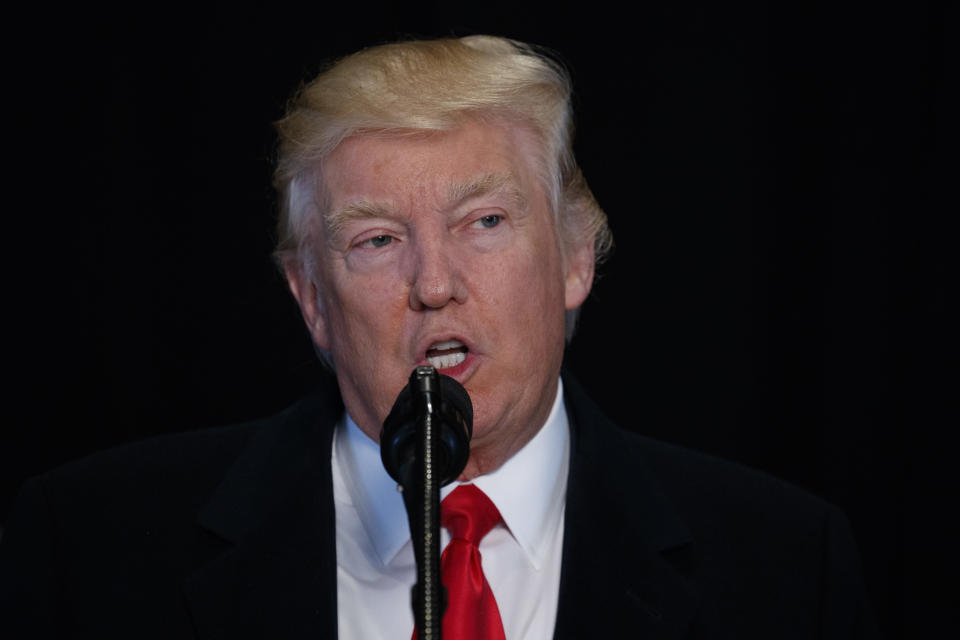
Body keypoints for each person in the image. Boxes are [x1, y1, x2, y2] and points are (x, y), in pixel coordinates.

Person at [0, 35, 876, 639]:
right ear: (310, 298)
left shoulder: (788, 569)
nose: (433, 285)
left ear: (576, 257)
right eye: (376, 240)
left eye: (484, 221)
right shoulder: (88, 551)